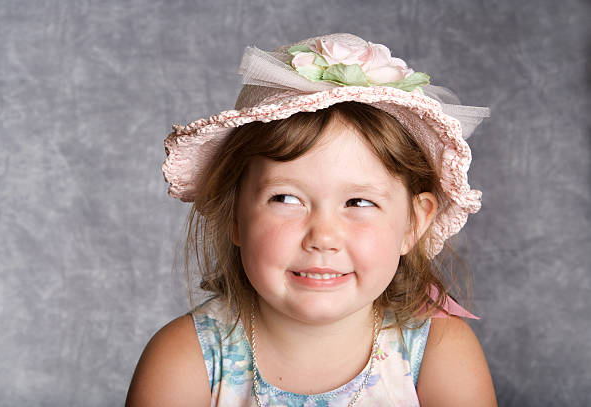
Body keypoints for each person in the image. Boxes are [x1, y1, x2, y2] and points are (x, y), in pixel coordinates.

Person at [126, 33, 497, 406]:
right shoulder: (187, 358)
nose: (323, 237)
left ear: (414, 224)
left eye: (358, 202)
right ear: (236, 216)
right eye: (286, 198)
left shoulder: (440, 353)